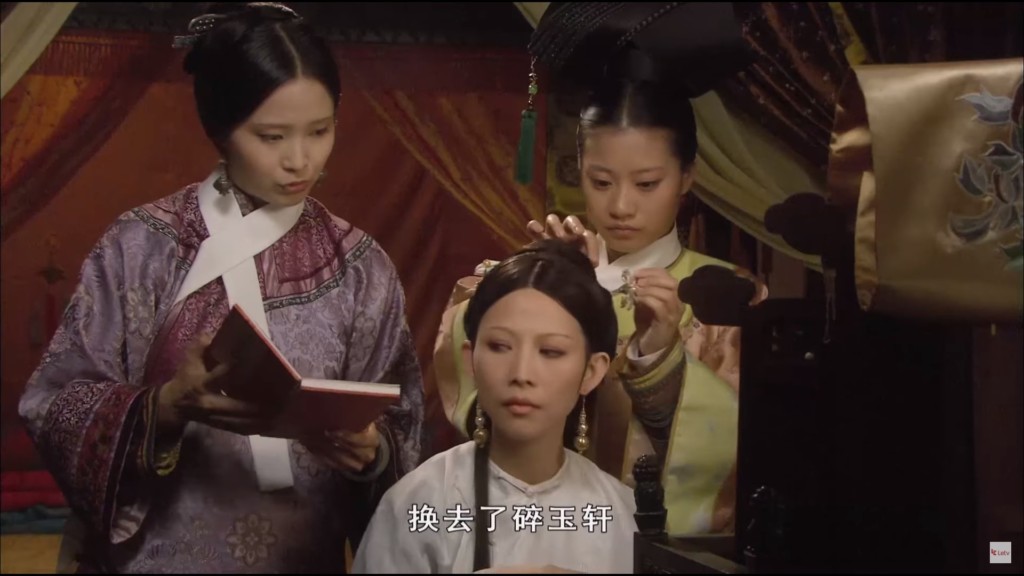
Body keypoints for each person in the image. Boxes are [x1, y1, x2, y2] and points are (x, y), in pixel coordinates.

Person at [17, 3, 423, 572]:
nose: (300, 159)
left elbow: (403, 425)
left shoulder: (360, 268)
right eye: (271, 136)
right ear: (221, 129)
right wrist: (162, 409)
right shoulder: (141, 247)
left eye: (320, 130)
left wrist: (373, 453)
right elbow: (53, 403)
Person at [434, 2, 767, 537]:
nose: (621, 207)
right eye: (601, 181)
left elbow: (736, 453)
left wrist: (659, 359)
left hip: (656, 548)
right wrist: (542, 282)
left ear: (687, 177)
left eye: (647, 183)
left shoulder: (728, 296)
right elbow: (476, 402)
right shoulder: (532, 269)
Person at [353, 240, 637, 574]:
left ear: (591, 371)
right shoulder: (421, 502)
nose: (521, 373)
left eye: (550, 352)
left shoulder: (620, 514)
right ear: (470, 359)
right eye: (500, 346)